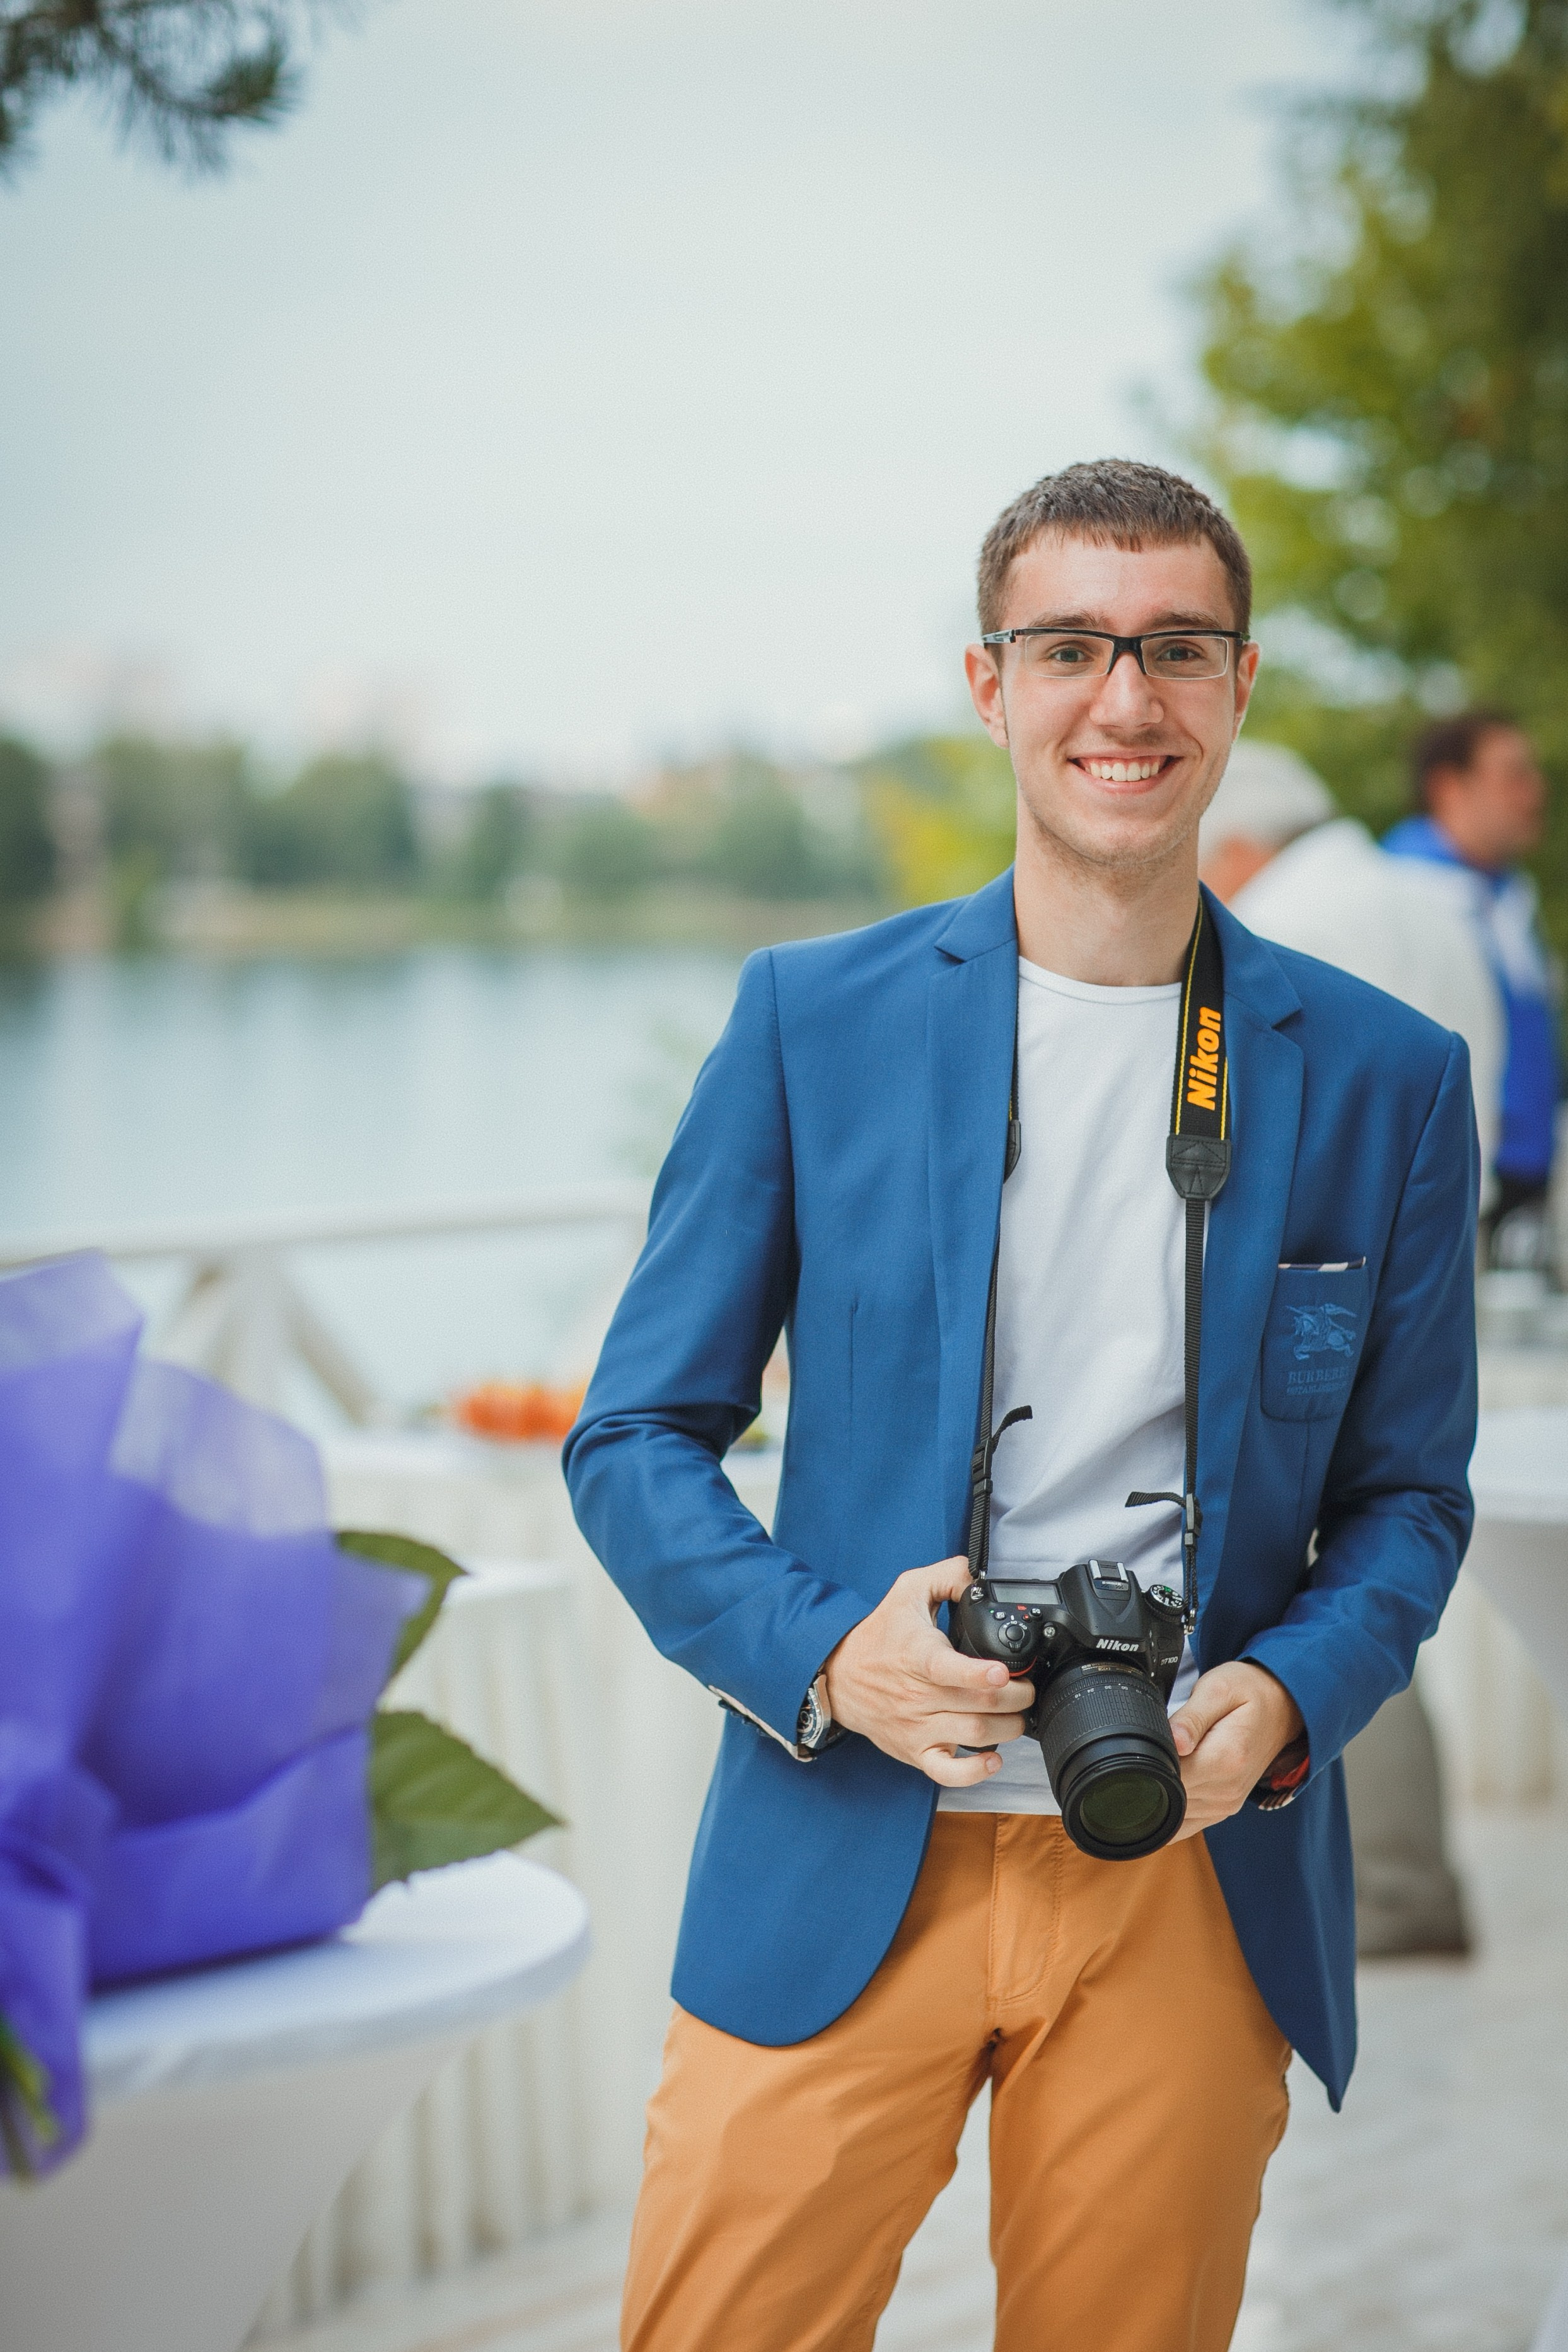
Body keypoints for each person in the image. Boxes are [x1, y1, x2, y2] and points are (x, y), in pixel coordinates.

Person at [565, 459, 1477, 2352]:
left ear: (1239, 684)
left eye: (1176, 648)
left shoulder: (1385, 1074)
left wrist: (1287, 1691)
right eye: (1069, 646)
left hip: (1184, 1862)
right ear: (989, 684)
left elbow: (1408, 1496)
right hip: (844, 1832)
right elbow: (634, 1436)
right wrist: (830, 1654)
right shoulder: (809, 1018)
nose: (1123, 699)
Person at [1199, 740, 1487, 1959]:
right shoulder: (1424, 896)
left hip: (1316, 1281)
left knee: (1319, 1576)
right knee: (1375, 1563)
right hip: (1431, 1253)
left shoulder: (1288, 921)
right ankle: (1405, 1877)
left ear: (1236, 846)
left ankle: (1393, 1885)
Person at [1200, 740, 1505, 1208]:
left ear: (1235, 851)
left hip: (1350, 1230)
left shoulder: (1273, 925)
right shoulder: (1428, 899)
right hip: (1454, 1212)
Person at [1383, 713, 1559, 1260]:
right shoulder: (1396, 895)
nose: (1535, 792)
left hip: (1523, 1182)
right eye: (1513, 775)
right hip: (1445, 1194)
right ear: (1448, 787)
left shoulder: (1507, 896)